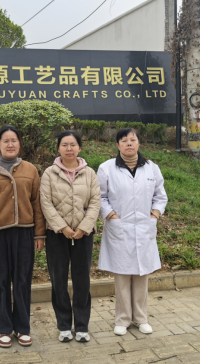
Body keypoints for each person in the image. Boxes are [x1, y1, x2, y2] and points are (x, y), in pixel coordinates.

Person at [0, 125, 46, 348]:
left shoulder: (31, 170)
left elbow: (37, 204)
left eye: (14, 140)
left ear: (20, 144)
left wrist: (39, 234)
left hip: (24, 233)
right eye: (5, 141)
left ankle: (22, 328)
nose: (10, 144)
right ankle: (3, 328)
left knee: (22, 281)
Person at [96, 127, 168, 336]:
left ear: (138, 143)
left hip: (144, 227)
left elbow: (160, 195)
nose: (129, 143)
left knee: (141, 274)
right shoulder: (106, 168)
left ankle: (141, 318)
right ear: (117, 145)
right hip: (120, 228)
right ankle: (122, 319)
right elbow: (100, 197)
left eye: (132, 140)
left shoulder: (151, 168)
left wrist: (155, 214)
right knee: (122, 276)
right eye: (124, 140)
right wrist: (111, 216)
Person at [40, 130, 101, 343]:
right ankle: (64, 326)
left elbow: (95, 202)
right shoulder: (49, 173)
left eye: (73, 144)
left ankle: (82, 326)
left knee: (82, 280)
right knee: (58, 280)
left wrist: (84, 227)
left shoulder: (89, 173)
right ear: (58, 148)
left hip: (84, 234)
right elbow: (45, 203)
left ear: (79, 148)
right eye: (64, 144)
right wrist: (62, 227)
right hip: (57, 234)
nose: (69, 148)